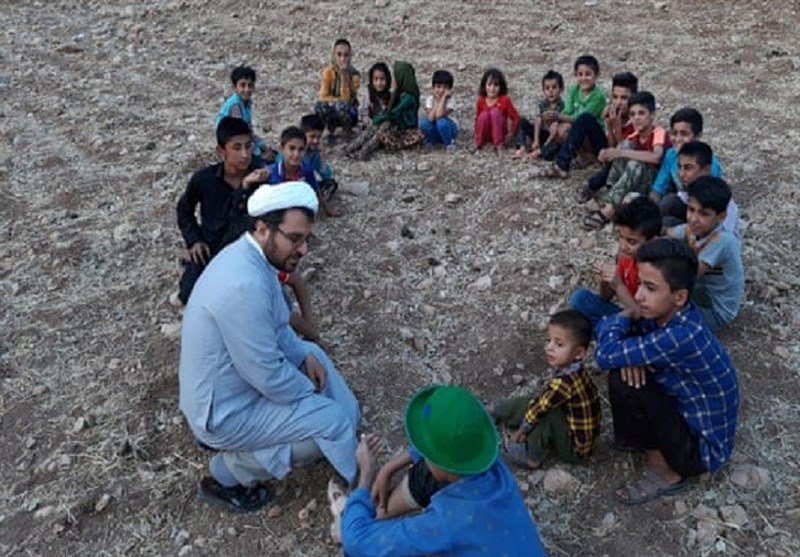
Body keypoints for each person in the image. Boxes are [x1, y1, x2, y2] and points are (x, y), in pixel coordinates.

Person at [179, 182, 360, 512]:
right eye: (295, 239)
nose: (304, 250)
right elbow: (268, 376)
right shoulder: (244, 285)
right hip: (221, 412)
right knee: (331, 420)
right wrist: (311, 396)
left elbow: (279, 328)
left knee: (314, 356)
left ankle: (345, 433)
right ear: (263, 229)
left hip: (238, 386)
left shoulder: (253, 258)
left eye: (306, 239)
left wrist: (302, 355)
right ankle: (228, 472)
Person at [594, 238, 739, 505]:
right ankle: (643, 443)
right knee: (627, 366)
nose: (638, 295)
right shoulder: (672, 315)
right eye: (639, 283)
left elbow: (604, 354)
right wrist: (630, 351)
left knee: (625, 379)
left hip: (700, 452)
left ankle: (665, 472)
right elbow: (611, 340)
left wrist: (625, 315)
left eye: (650, 288)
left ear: (679, 296)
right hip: (689, 423)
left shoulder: (681, 335)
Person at [341, 385, 546, 556]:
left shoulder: (445, 524)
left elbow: (354, 541)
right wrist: (388, 469)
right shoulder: (490, 462)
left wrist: (366, 477)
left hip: (456, 526)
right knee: (427, 473)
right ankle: (378, 516)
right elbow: (451, 441)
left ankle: (359, 517)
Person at [489, 310, 600, 470]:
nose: (549, 348)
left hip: (575, 450)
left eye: (559, 344)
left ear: (579, 353)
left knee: (545, 413)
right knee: (536, 400)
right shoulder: (574, 370)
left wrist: (522, 430)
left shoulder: (565, 383)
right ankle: (497, 410)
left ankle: (532, 457)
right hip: (573, 429)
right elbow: (540, 401)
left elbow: (540, 409)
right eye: (549, 341)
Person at [176, 117, 269, 305]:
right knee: (188, 295)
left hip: (247, 248)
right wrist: (194, 241)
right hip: (211, 247)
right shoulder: (204, 179)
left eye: (248, 146)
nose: (245, 154)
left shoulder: (260, 175)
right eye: (237, 148)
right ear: (221, 151)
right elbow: (184, 210)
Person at [539, 72, 639, 201]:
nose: (618, 102)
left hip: (622, 156)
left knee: (613, 165)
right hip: (607, 150)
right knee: (585, 118)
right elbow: (610, 145)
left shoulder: (636, 119)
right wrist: (609, 125)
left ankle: (589, 186)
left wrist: (617, 127)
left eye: (624, 98)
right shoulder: (613, 111)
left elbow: (622, 153)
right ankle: (561, 164)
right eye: (615, 97)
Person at [666, 177, 744, 331]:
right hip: (700, 292)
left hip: (716, 309)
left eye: (704, 214)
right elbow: (669, 233)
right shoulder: (697, 229)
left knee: (661, 313)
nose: (694, 219)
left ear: (721, 216)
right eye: (691, 209)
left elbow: (687, 276)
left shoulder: (723, 240)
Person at [570, 197, 662, 328]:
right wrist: (605, 281)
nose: (623, 246)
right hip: (629, 315)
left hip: (647, 325)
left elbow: (639, 315)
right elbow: (606, 297)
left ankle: (607, 332)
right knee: (580, 298)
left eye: (631, 242)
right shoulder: (626, 257)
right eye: (621, 238)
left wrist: (618, 285)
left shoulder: (657, 269)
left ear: (652, 242)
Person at [583, 91, 669, 230]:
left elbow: (656, 157)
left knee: (633, 161)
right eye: (633, 114)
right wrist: (607, 153)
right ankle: (611, 197)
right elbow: (618, 151)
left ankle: (607, 211)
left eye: (641, 113)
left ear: (652, 115)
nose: (636, 118)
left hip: (654, 186)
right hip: (635, 182)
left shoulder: (658, 132)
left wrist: (620, 153)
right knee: (624, 146)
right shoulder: (634, 136)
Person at [343, 61, 424, 161]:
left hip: (404, 130)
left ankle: (364, 151)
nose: (395, 81)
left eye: (397, 77)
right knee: (376, 127)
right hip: (393, 125)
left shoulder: (408, 98)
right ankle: (352, 147)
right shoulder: (398, 93)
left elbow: (392, 113)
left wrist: (378, 119)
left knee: (383, 125)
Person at [658, 140, 739, 237]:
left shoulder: (721, 199)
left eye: (688, 168)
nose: (681, 174)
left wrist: (675, 232)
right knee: (669, 203)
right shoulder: (687, 192)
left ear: (706, 169)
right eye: (679, 167)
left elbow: (724, 237)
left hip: (709, 241)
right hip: (692, 231)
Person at [269, 126, 340, 217]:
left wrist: (328, 209)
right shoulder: (273, 171)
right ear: (282, 149)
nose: (296, 154)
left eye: (301, 149)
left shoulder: (306, 168)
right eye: (292, 148)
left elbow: (315, 189)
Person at [215, 65, 272, 164]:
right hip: (232, 142)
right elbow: (240, 134)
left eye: (250, 85)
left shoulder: (246, 103)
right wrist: (259, 153)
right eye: (242, 85)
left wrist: (261, 145)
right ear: (234, 87)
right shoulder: (235, 106)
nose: (247, 89)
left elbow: (248, 129)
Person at [548, 55, 606, 148]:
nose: (583, 78)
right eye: (580, 74)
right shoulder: (574, 90)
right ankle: (576, 153)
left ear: (596, 75)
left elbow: (581, 119)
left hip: (592, 135)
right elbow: (567, 110)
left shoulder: (598, 97)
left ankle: (585, 154)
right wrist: (557, 122)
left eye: (588, 74)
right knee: (556, 128)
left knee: (565, 130)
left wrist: (559, 117)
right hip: (574, 126)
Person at [315, 38, 361, 141]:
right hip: (334, 108)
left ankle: (347, 131)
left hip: (349, 112)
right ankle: (330, 129)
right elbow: (323, 96)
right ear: (334, 55)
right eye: (339, 55)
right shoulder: (328, 72)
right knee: (320, 106)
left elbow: (347, 99)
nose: (342, 59)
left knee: (342, 106)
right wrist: (336, 101)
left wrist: (344, 77)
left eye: (346, 55)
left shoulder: (354, 75)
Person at [514, 70, 565, 160]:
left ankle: (540, 151)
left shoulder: (563, 106)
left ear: (561, 89)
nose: (551, 91)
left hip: (553, 137)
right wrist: (536, 140)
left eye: (554, 87)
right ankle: (522, 147)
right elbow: (538, 120)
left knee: (552, 152)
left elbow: (557, 128)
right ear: (543, 91)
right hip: (542, 133)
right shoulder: (543, 104)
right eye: (547, 88)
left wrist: (546, 144)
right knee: (522, 122)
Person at [471, 67, 519, 152]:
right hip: (486, 133)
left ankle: (499, 145)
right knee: (484, 115)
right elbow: (478, 118)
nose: (492, 88)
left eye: (496, 85)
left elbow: (515, 118)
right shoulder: (481, 100)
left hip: (500, 132)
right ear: (484, 86)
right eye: (489, 84)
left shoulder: (505, 100)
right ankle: (478, 143)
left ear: (501, 86)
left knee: (495, 112)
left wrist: (511, 133)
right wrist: (475, 133)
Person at [418, 69, 459, 150]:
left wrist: (443, 99)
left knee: (441, 122)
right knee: (423, 122)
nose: (441, 90)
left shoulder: (451, 101)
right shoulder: (430, 99)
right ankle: (431, 141)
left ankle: (449, 143)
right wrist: (436, 101)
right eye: (438, 87)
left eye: (445, 87)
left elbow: (439, 115)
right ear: (433, 88)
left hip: (449, 129)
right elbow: (431, 118)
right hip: (435, 129)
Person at [357, 62, 392, 127]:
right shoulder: (367, 94)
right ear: (371, 80)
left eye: (382, 79)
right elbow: (362, 113)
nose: (379, 83)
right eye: (376, 79)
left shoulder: (389, 96)